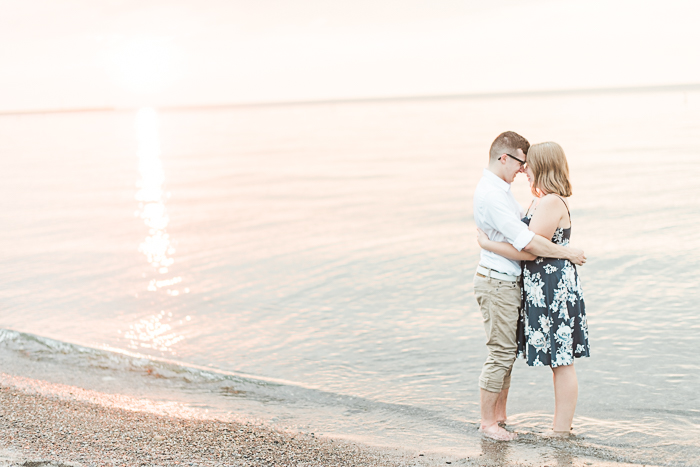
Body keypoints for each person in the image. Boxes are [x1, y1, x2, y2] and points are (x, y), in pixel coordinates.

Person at [472, 132, 586, 441]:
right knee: (553, 358)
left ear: (543, 166)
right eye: (523, 164)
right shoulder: (539, 199)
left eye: (530, 165)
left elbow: (530, 250)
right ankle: (503, 421)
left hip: (553, 287)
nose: (525, 171)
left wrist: (489, 244)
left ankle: (560, 431)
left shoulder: (549, 202)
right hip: (542, 285)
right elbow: (529, 246)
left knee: (561, 359)